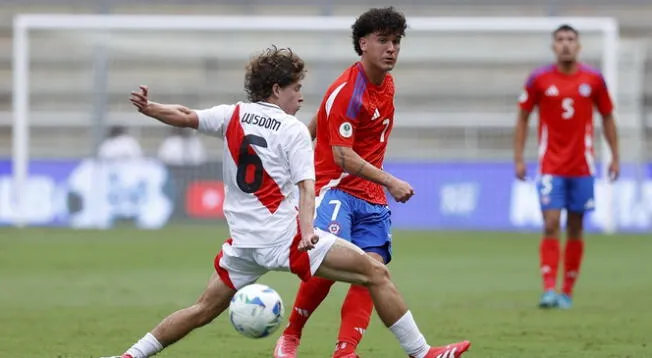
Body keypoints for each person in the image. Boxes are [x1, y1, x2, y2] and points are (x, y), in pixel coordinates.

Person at [100, 46, 470, 358]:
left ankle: (129, 355)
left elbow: (183, 116)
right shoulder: (292, 130)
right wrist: (308, 230)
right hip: (286, 240)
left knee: (201, 310)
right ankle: (423, 353)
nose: (302, 96)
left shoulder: (232, 115)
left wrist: (150, 108)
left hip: (244, 244)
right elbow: (307, 186)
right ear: (277, 90)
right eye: (296, 88)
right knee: (377, 273)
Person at [274, 6, 415, 358]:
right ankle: (291, 335)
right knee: (327, 264)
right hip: (334, 187)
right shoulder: (348, 89)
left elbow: (324, 116)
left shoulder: (386, 83)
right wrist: (392, 181)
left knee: (373, 270)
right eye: (383, 41)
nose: (391, 49)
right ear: (363, 43)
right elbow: (342, 157)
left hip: (370, 195)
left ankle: (345, 350)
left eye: (396, 41)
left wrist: (301, 139)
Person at [514, 24, 620, 309]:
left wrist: (615, 155)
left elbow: (608, 117)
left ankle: (567, 291)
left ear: (579, 45)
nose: (565, 44)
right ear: (553, 46)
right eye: (560, 39)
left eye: (570, 39)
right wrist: (519, 158)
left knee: (576, 227)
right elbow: (522, 117)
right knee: (550, 224)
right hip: (550, 165)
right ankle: (549, 289)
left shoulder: (594, 80)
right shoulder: (539, 79)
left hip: (582, 167)